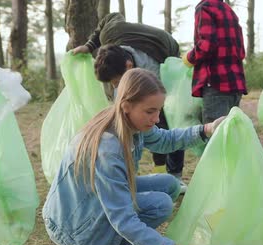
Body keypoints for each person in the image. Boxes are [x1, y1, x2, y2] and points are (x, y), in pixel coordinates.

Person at [42, 68, 229, 245]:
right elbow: (123, 218)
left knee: (169, 184)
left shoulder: (128, 121)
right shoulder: (108, 149)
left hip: (87, 202)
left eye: (158, 110)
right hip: (72, 221)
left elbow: (164, 140)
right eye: (150, 111)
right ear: (126, 106)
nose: (156, 118)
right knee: (160, 204)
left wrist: (206, 129)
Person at [72, 13, 187, 192]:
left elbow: (158, 122)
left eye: (117, 82)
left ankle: (175, 175)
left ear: (128, 67)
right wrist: (89, 46)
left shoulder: (159, 69)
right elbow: (111, 17)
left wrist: (153, 113)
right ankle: (140, 171)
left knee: (166, 121)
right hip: (127, 45)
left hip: (165, 49)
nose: (115, 87)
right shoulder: (112, 32)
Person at [182, 0, 248, 123]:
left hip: (216, 84)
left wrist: (189, 58)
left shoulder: (204, 7)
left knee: (215, 135)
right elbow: (241, 51)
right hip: (235, 84)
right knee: (229, 131)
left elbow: (207, 45)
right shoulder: (228, 10)